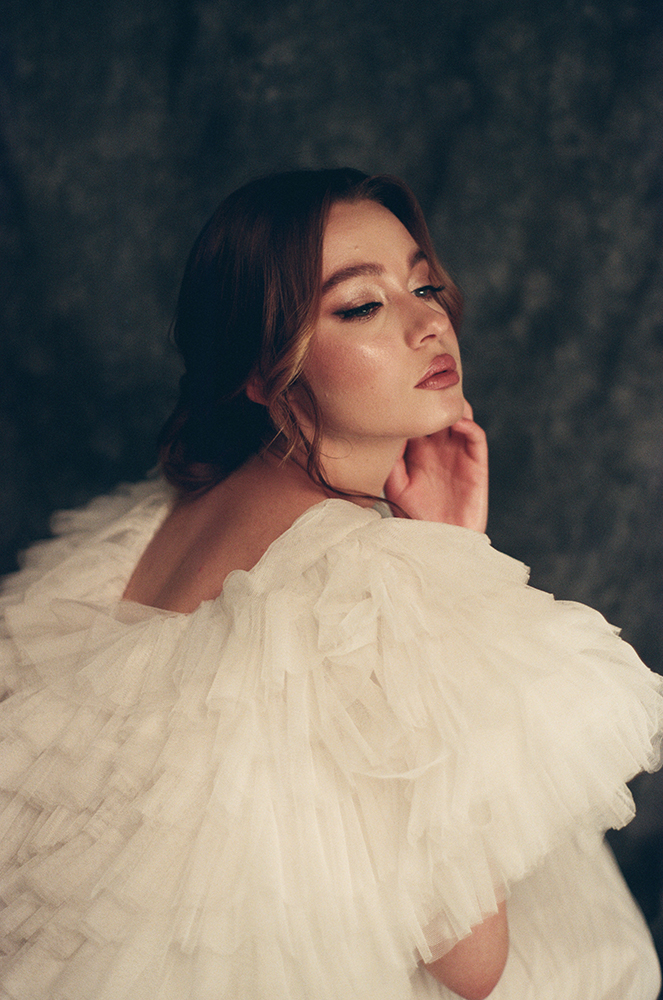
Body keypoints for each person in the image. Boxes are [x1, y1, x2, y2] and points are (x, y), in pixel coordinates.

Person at [0, 168, 661, 1000]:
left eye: (423, 285)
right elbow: (471, 966)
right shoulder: (363, 585)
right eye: (361, 305)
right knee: (593, 961)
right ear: (263, 369)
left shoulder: (166, 514)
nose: (428, 323)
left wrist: (441, 562)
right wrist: (448, 572)